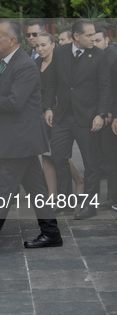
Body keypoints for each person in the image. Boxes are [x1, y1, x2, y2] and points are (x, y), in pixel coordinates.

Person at [0, 19, 62, 254]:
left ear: (12, 40)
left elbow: (16, 102)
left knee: (4, 188)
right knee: (36, 188)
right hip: (18, 138)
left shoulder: (24, 65)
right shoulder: (4, 63)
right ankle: (51, 232)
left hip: (22, 138)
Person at [43, 19, 111, 219]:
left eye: (94, 35)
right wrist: (48, 107)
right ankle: (65, 202)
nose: (93, 38)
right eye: (89, 35)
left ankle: (90, 206)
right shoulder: (61, 52)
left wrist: (101, 114)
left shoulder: (99, 56)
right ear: (76, 37)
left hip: (88, 117)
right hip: (63, 116)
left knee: (91, 164)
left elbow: (105, 87)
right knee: (59, 158)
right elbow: (52, 82)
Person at [35, 33, 84, 199]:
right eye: (37, 46)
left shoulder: (61, 63)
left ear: (53, 45)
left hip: (57, 112)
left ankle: (78, 181)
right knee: (46, 154)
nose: (40, 49)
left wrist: (51, 108)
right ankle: (52, 193)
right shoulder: (35, 63)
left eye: (43, 45)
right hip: (39, 113)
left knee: (58, 153)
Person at [91, 27, 117, 209]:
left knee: (110, 158)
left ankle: (113, 197)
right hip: (99, 113)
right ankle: (112, 197)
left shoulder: (112, 57)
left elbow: (112, 89)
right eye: (92, 41)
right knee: (107, 158)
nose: (95, 44)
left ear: (107, 40)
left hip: (110, 114)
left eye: (98, 40)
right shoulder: (92, 57)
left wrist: (111, 113)